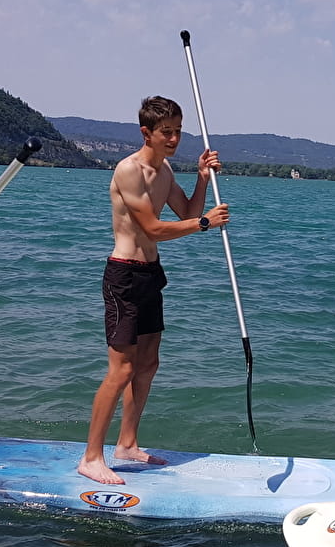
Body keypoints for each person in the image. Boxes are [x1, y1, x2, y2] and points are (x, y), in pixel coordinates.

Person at [77, 95, 230, 485]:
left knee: (147, 365)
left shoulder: (164, 174)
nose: (174, 139)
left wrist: (200, 178)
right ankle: (91, 457)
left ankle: (127, 444)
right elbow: (153, 229)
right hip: (124, 276)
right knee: (122, 369)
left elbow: (187, 214)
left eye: (178, 132)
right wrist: (206, 224)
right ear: (147, 132)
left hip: (150, 275)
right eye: (167, 132)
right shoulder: (129, 171)